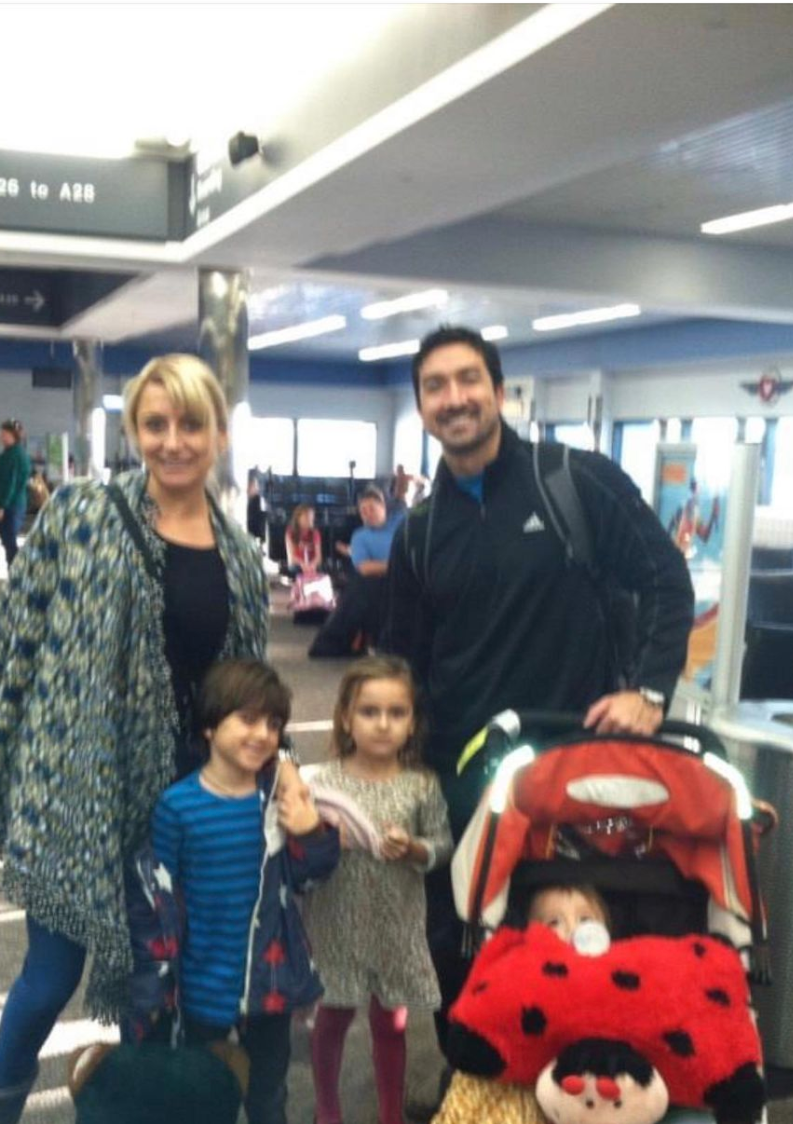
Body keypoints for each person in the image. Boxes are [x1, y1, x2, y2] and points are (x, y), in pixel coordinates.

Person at [0, 354, 268, 1124]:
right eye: (155, 424)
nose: (173, 441)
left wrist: (272, 774)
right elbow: (10, 630)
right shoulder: (84, 516)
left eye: (191, 424)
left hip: (189, 801)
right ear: (135, 431)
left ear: (218, 433)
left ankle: (141, 1109)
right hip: (79, 787)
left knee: (160, 983)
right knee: (50, 978)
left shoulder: (242, 558)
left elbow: (248, 693)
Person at [381, 325, 695, 1065]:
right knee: (459, 936)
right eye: (435, 387)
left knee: (574, 929)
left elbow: (665, 581)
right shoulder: (420, 532)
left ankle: (578, 1086)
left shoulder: (574, 482)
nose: (454, 399)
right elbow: (401, 662)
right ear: (423, 407)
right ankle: (475, 1084)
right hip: (463, 773)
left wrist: (649, 691)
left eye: (467, 380)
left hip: (575, 761)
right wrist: (391, 761)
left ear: (497, 390)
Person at [152, 659, 340, 1124]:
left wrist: (311, 830)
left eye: (274, 724)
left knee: (268, 1099)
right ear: (211, 726)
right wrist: (157, 994)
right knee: (204, 1100)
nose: (262, 734)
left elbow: (311, 877)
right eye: (248, 719)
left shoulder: (277, 800)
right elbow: (158, 905)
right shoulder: (177, 807)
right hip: (201, 989)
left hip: (268, 992)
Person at [303, 655, 453, 1124]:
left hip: (396, 922)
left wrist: (413, 848)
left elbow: (444, 846)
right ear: (347, 717)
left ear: (412, 722)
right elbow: (292, 852)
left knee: (391, 1022)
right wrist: (322, 840)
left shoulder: (421, 785)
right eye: (370, 712)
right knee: (332, 1018)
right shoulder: (321, 781)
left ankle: (391, 1111)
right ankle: (328, 1108)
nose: (383, 725)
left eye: (397, 713)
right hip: (335, 920)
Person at [310, 487, 404, 657]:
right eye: (363, 511)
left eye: (371, 509)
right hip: (378, 584)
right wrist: (400, 565)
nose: (367, 514)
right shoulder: (360, 536)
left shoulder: (403, 524)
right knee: (364, 586)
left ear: (383, 507)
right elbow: (365, 568)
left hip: (409, 580)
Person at [0, 418, 31, 567]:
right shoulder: (12, 454)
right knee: (8, 542)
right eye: (1, 433)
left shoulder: (13, 456)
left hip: (10, 506)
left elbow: (9, 483)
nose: (1, 436)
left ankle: (17, 574)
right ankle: (16, 573)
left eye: (4, 433)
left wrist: (0, 506)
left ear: (14, 435)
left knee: (10, 542)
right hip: (12, 505)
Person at [285, 502, 323, 574]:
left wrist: (312, 565)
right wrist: (303, 564)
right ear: (298, 518)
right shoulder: (290, 532)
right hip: (297, 565)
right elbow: (291, 557)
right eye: (306, 516)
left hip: (312, 564)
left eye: (311, 517)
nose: (309, 519)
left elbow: (318, 557)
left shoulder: (315, 532)